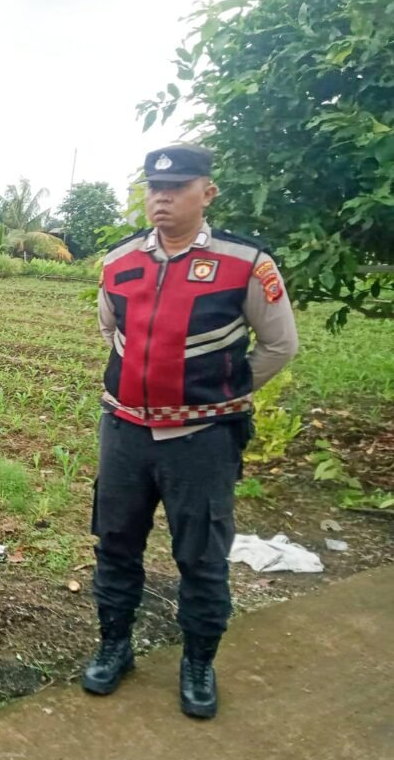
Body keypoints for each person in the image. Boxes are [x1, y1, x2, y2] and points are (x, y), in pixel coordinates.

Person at [83, 145, 299, 718]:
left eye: (178, 187)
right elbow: (111, 331)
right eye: (156, 187)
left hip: (203, 439)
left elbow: (281, 345)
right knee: (116, 544)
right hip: (125, 431)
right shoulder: (119, 261)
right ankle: (114, 646)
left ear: (207, 192)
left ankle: (198, 662)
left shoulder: (245, 263)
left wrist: (220, 390)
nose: (163, 197)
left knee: (201, 555)